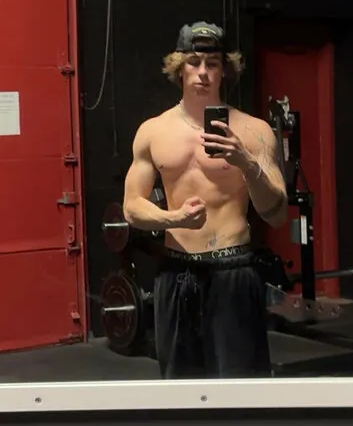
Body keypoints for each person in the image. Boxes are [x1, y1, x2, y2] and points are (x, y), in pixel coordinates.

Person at [123, 22, 288, 378]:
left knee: (240, 386)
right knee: (180, 387)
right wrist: (174, 218)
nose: (202, 72)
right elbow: (131, 207)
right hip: (176, 272)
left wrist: (246, 163)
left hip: (233, 272)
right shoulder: (153, 131)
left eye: (212, 64)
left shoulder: (254, 131)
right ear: (178, 67)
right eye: (194, 62)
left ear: (224, 70)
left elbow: (276, 214)